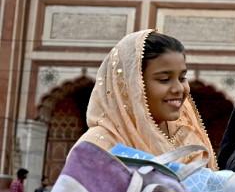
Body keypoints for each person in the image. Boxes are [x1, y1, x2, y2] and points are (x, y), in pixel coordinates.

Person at [77, 30, 213, 163]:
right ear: (131, 85)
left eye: (182, 78)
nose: (178, 88)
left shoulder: (188, 137)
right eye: (164, 79)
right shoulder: (97, 147)